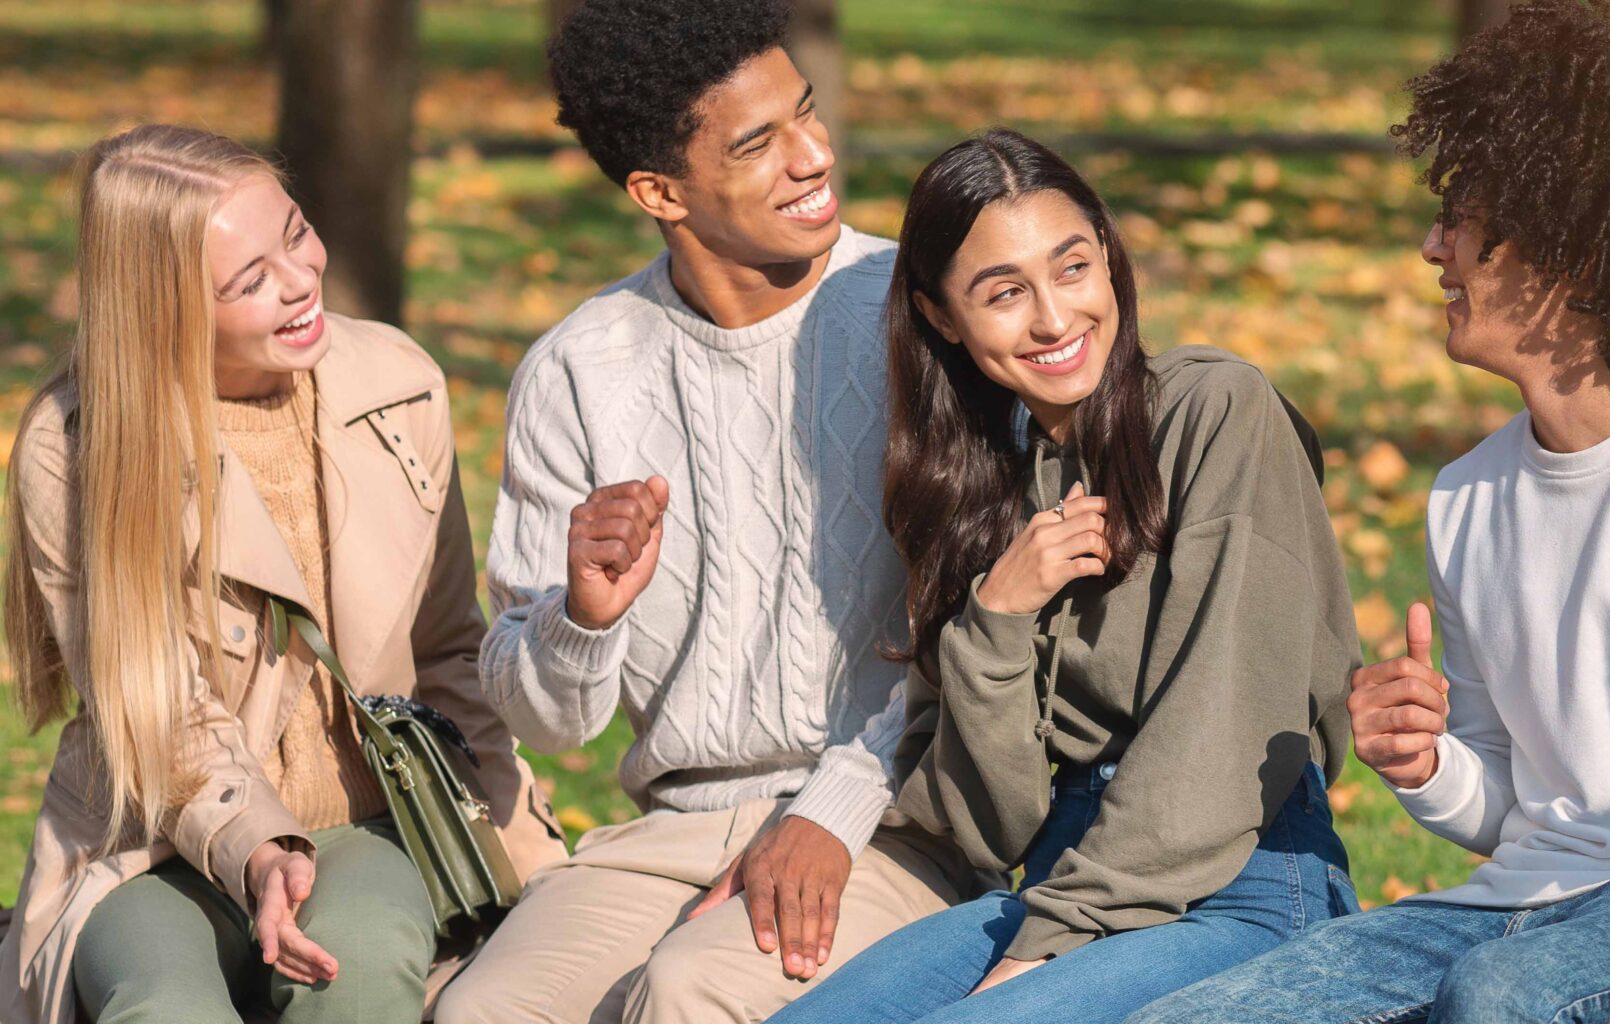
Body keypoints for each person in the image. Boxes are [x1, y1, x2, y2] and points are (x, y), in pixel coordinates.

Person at [1133, 2, 1610, 1020]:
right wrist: (1426, 766)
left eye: (1466, 226)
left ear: (1571, 255)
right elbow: (1514, 810)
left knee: (1494, 998)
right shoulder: (1466, 497)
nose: (1430, 248)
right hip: (1505, 908)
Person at [433, 2, 977, 1021]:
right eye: (758, 143)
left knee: (684, 992)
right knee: (480, 1012)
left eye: (806, 115)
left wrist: (829, 808)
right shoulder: (576, 372)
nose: (813, 155)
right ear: (658, 191)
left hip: (895, 817)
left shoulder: (922, 317)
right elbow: (548, 722)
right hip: (670, 830)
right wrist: (580, 619)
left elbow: (979, 624)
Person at [758, 127, 1363, 1024]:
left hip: (1241, 880)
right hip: (1056, 884)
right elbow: (984, 824)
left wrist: (1052, 945)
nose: (1053, 318)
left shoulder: (1216, 411)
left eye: (1073, 268)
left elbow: (1226, 729)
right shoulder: (976, 487)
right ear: (938, 316)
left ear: (1111, 263)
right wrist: (995, 621)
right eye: (1003, 293)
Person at [0, 124, 565, 1024]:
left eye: (295, 234)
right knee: (163, 1005)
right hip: (144, 839)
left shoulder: (397, 383)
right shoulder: (75, 448)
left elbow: (448, 648)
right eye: (249, 281)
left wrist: (527, 857)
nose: (301, 283)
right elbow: (155, 713)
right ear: (163, 310)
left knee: (358, 974)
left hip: (365, 821)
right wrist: (260, 849)